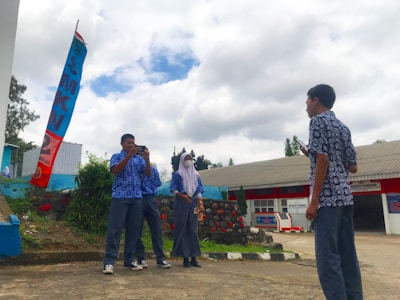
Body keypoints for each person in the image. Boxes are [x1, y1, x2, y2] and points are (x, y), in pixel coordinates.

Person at [303, 84, 363, 299]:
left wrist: (314, 200)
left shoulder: (317, 122)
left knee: (328, 259)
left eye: (307, 102)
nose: (306, 107)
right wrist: (312, 154)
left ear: (316, 100)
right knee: (348, 256)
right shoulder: (342, 126)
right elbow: (353, 166)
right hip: (345, 199)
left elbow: (323, 158)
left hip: (327, 202)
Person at [103, 133, 151, 275]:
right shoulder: (116, 157)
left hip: (136, 197)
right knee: (115, 229)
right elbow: (116, 170)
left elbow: (147, 174)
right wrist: (129, 155)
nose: (131, 145)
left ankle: (129, 260)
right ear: (122, 143)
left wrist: (147, 159)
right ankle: (109, 262)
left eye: (133, 143)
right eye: (129, 143)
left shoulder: (139, 159)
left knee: (134, 230)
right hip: (120, 197)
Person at [170, 152, 204, 267]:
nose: (188, 161)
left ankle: (194, 257)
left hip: (193, 202)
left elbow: (198, 190)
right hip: (182, 202)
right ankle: (185, 258)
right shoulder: (178, 174)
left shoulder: (196, 175)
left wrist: (200, 203)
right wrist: (182, 196)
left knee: (193, 230)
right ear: (182, 161)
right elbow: (173, 189)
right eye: (186, 159)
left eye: (190, 158)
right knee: (183, 229)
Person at [134, 163, 171, 269]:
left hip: (151, 198)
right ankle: (141, 257)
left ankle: (160, 258)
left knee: (157, 229)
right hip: (139, 197)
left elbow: (157, 183)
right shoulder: (136, 168)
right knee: (137, 229)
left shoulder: (154, 170)